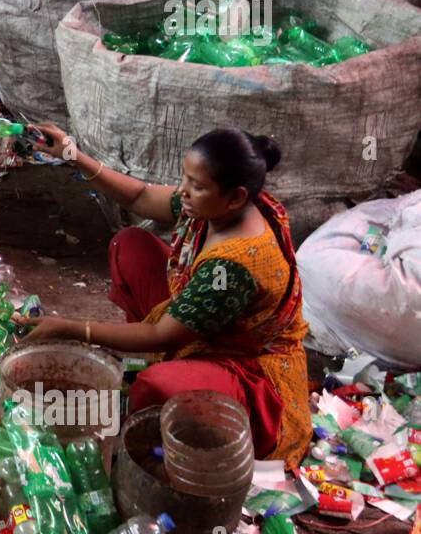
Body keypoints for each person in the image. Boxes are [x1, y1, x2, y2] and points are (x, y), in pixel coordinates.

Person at [17, 125, 313, 471]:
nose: (184, 192)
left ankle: (165, 423)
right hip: (200, 321)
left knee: (155, 387)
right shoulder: (216, 207)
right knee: (130, 245)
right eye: (184, 179)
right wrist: (73, 155)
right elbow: (139, 197)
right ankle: (167, 363)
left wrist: (69, 328)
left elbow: (162, 334)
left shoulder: (232, 268)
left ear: (235, 197)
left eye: (196, 186)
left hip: (244, 364)